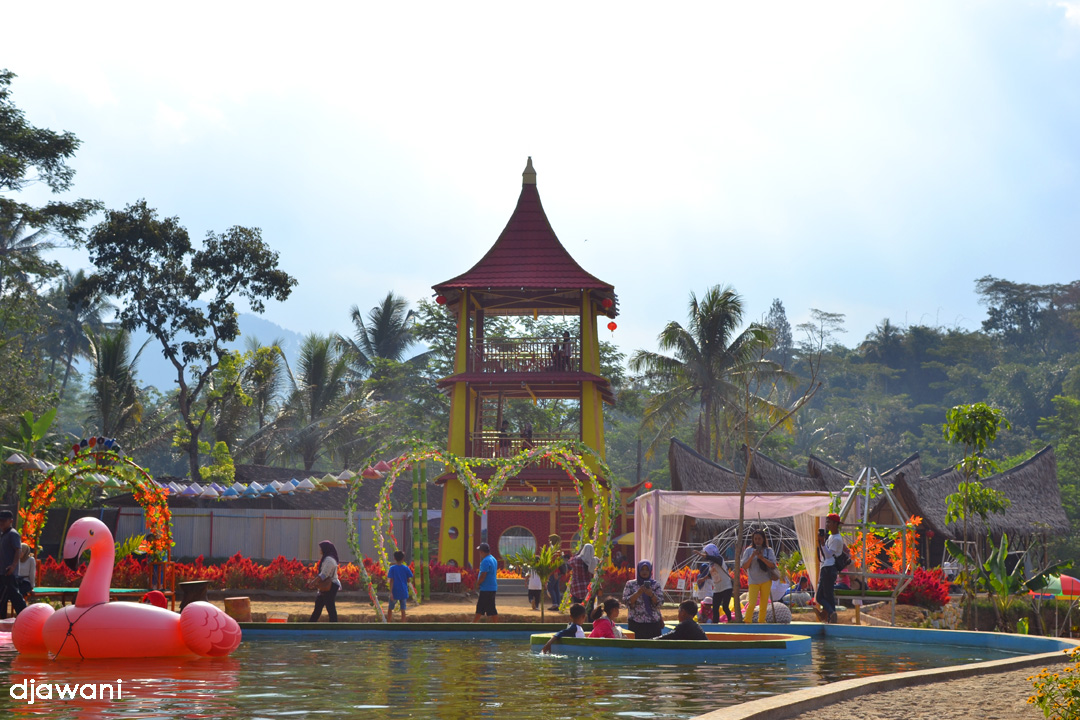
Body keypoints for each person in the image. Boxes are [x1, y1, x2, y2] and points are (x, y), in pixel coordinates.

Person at [622, 560, 666, 639]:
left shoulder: (655, 584)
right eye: (642, 569)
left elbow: (660, 602)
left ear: (650, 571)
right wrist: (638, 593)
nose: (644, 572)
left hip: (653, 623)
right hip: (636, 623)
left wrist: (651, 594)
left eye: (647, 569)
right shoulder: (630, 584)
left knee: (653, 648)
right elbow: (626, 601)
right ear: (638, 570)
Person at [740, 530, 777, 623]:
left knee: (764, 604)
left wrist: (762, 558)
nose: (757, 541)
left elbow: (773, 565)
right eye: (755, 539)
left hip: (766, 580)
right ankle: (747, 620)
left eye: (759, 539)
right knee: (752, 603)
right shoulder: (748, 551)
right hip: (753, 581)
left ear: (763, 539)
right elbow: (744, 566)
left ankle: (762, 621)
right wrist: (752, 556)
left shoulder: (769, 550)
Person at [816, 513, 846, 624]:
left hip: (829, 568)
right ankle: (830, 615)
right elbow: (825, 554)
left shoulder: (837, 539)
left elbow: (828, 555)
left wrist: (822, 542)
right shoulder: (832, 537)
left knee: (824, 596)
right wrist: (821, 542)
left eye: (829, 522)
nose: (827, 524)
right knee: (824, 596)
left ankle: (831, 613)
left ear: (835, 524)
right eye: (827, 522)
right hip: (827, 568)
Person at [0, 510, 26, 618]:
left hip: (9, 572)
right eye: (0, 520)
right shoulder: (3, 535)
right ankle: (2, 620)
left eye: (4, 521)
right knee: (2, 599)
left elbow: (18, 550)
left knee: (15, 597)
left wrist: (13, 566)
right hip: (2, 572)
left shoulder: (13, 534)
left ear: (11, 521)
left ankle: (26, 617)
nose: (1, 523)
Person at [699, 542, 733, 623]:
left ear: (711, 552)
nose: (705, 554)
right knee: (715, 608)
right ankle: (715, 624)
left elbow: (716, 560)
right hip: (717, 588)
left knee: (725, 607)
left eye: (707, 552)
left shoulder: (719, 559)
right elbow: (711, 574)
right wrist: (703, 579)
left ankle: (730, 620)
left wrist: (706, 556)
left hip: (726, 587)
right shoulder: (711, 564)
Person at [309, 540, 340, 623]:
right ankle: (310, 624)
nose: (320, 550)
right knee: (318, 606)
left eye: (321, 548)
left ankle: (334, 626)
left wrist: (313, 582)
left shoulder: (329, 560)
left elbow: (324, 574)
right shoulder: (327, 558)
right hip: (326, 586)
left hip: (330, 586)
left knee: (330, 606)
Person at [473, 542, 499, 622]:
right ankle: (496, 625)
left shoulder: (485, 561)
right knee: (490, 607)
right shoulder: (493, 559)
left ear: (482, 552)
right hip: (492, 587)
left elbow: (483, 575)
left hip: (486, 588)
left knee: (481, 606)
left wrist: (478, 584)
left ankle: (474, 623)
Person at [387, 550, 413, 622]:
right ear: (403, 559)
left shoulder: (392, 568)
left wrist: (391, 592)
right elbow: (409, 580)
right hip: (403, 591)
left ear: (394, 558)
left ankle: (388, 623)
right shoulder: (406, 568)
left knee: (390, 608)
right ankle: (403, 625)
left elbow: (391, 580)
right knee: (403, 610)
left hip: (395, 591)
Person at [546, 535, 563, 610]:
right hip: (557, 571)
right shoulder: (558, 549)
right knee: (556, 588)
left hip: (554, 572)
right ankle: (558, 604)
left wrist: (555, 572)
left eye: (549, 540)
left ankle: (555, 604)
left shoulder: (553, 549)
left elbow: (554, 562)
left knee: (550, 588)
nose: (548, 541)